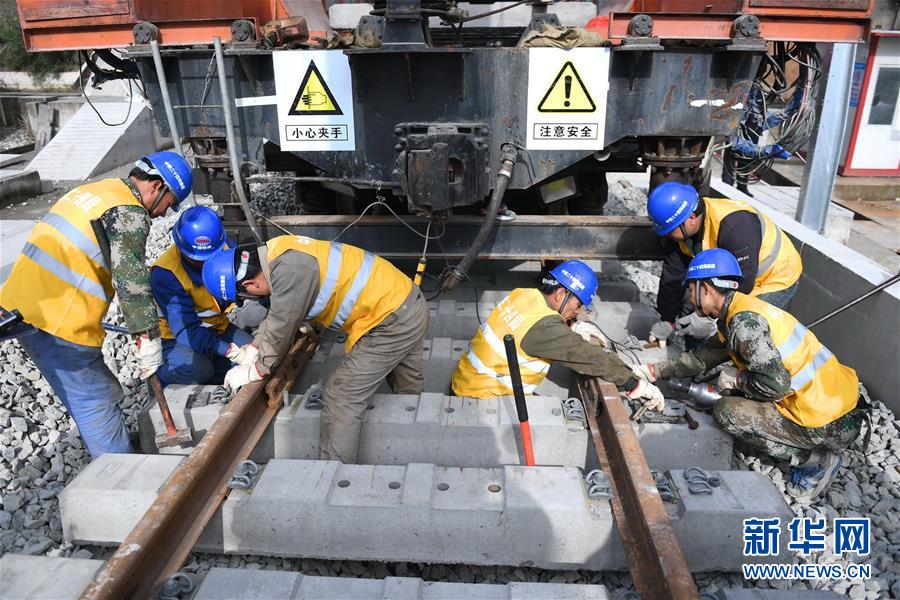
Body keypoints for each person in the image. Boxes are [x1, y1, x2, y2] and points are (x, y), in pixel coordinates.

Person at [0, 151, 193, 459]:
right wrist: (147, 338)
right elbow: (132, 282)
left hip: (20, 306)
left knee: (92, 392)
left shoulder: (99, 191)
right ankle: (119, 471)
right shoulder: (129, 213)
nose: (162, 215)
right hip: (58, 321)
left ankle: (115, 449)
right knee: (94, 401)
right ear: (157, 186)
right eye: (169, 204)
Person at [634, 249, 863, 500]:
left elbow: (776, 385)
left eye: (691, 289)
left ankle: (815, 460)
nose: (689, 297)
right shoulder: (739, 310)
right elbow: (702, 358)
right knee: (736, 393)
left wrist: (739, 380)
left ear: (706, 288)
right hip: (839, 402)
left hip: (829, 422)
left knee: (727, 412)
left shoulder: (744, 324)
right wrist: (654, 371)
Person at [201, 235, 429, 464]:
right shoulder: (276, 252)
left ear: (250, 285)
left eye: (244, 298)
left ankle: (334, 471)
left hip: (390, 321)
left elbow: (282, 325)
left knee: (341, 396)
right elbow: (279, 311)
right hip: (407, 302)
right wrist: (253, 347)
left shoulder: (289, 272)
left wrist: (258, 369)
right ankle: (419, 446)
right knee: (407, 389)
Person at [450, 260, 665, 413]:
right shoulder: (544, 327)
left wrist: (571, 327)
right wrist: (633, 383)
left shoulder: (524, 294)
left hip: (467, 381)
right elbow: (590, 357)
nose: (577, 312)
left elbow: (531, 327)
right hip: (482, 398)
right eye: (578, 305)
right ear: (561, 294)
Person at [645, 181, 802, 348]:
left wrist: (707, 318)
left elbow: (742, 285)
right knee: (694, 311)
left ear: (691, 218)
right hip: (732, 273)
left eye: (669, 230)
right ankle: (694, 359)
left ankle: (736, 362)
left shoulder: (736, 225)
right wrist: (667, 319)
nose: (668, 235)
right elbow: (673, 278)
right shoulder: (680, 231)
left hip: (774, 277)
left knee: (739, 328)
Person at [150, 205, 253, 386]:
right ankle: (163, 375)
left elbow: (254, 282)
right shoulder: (166, 274)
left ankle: (214, 370)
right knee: (200, 369)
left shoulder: (226, 250)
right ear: (182, 249)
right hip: (177, 338)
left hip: (217, 328)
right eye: (198, 259)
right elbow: (187, 331)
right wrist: (229, 351)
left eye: (211, 256)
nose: (206, 262)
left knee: (252, 353)